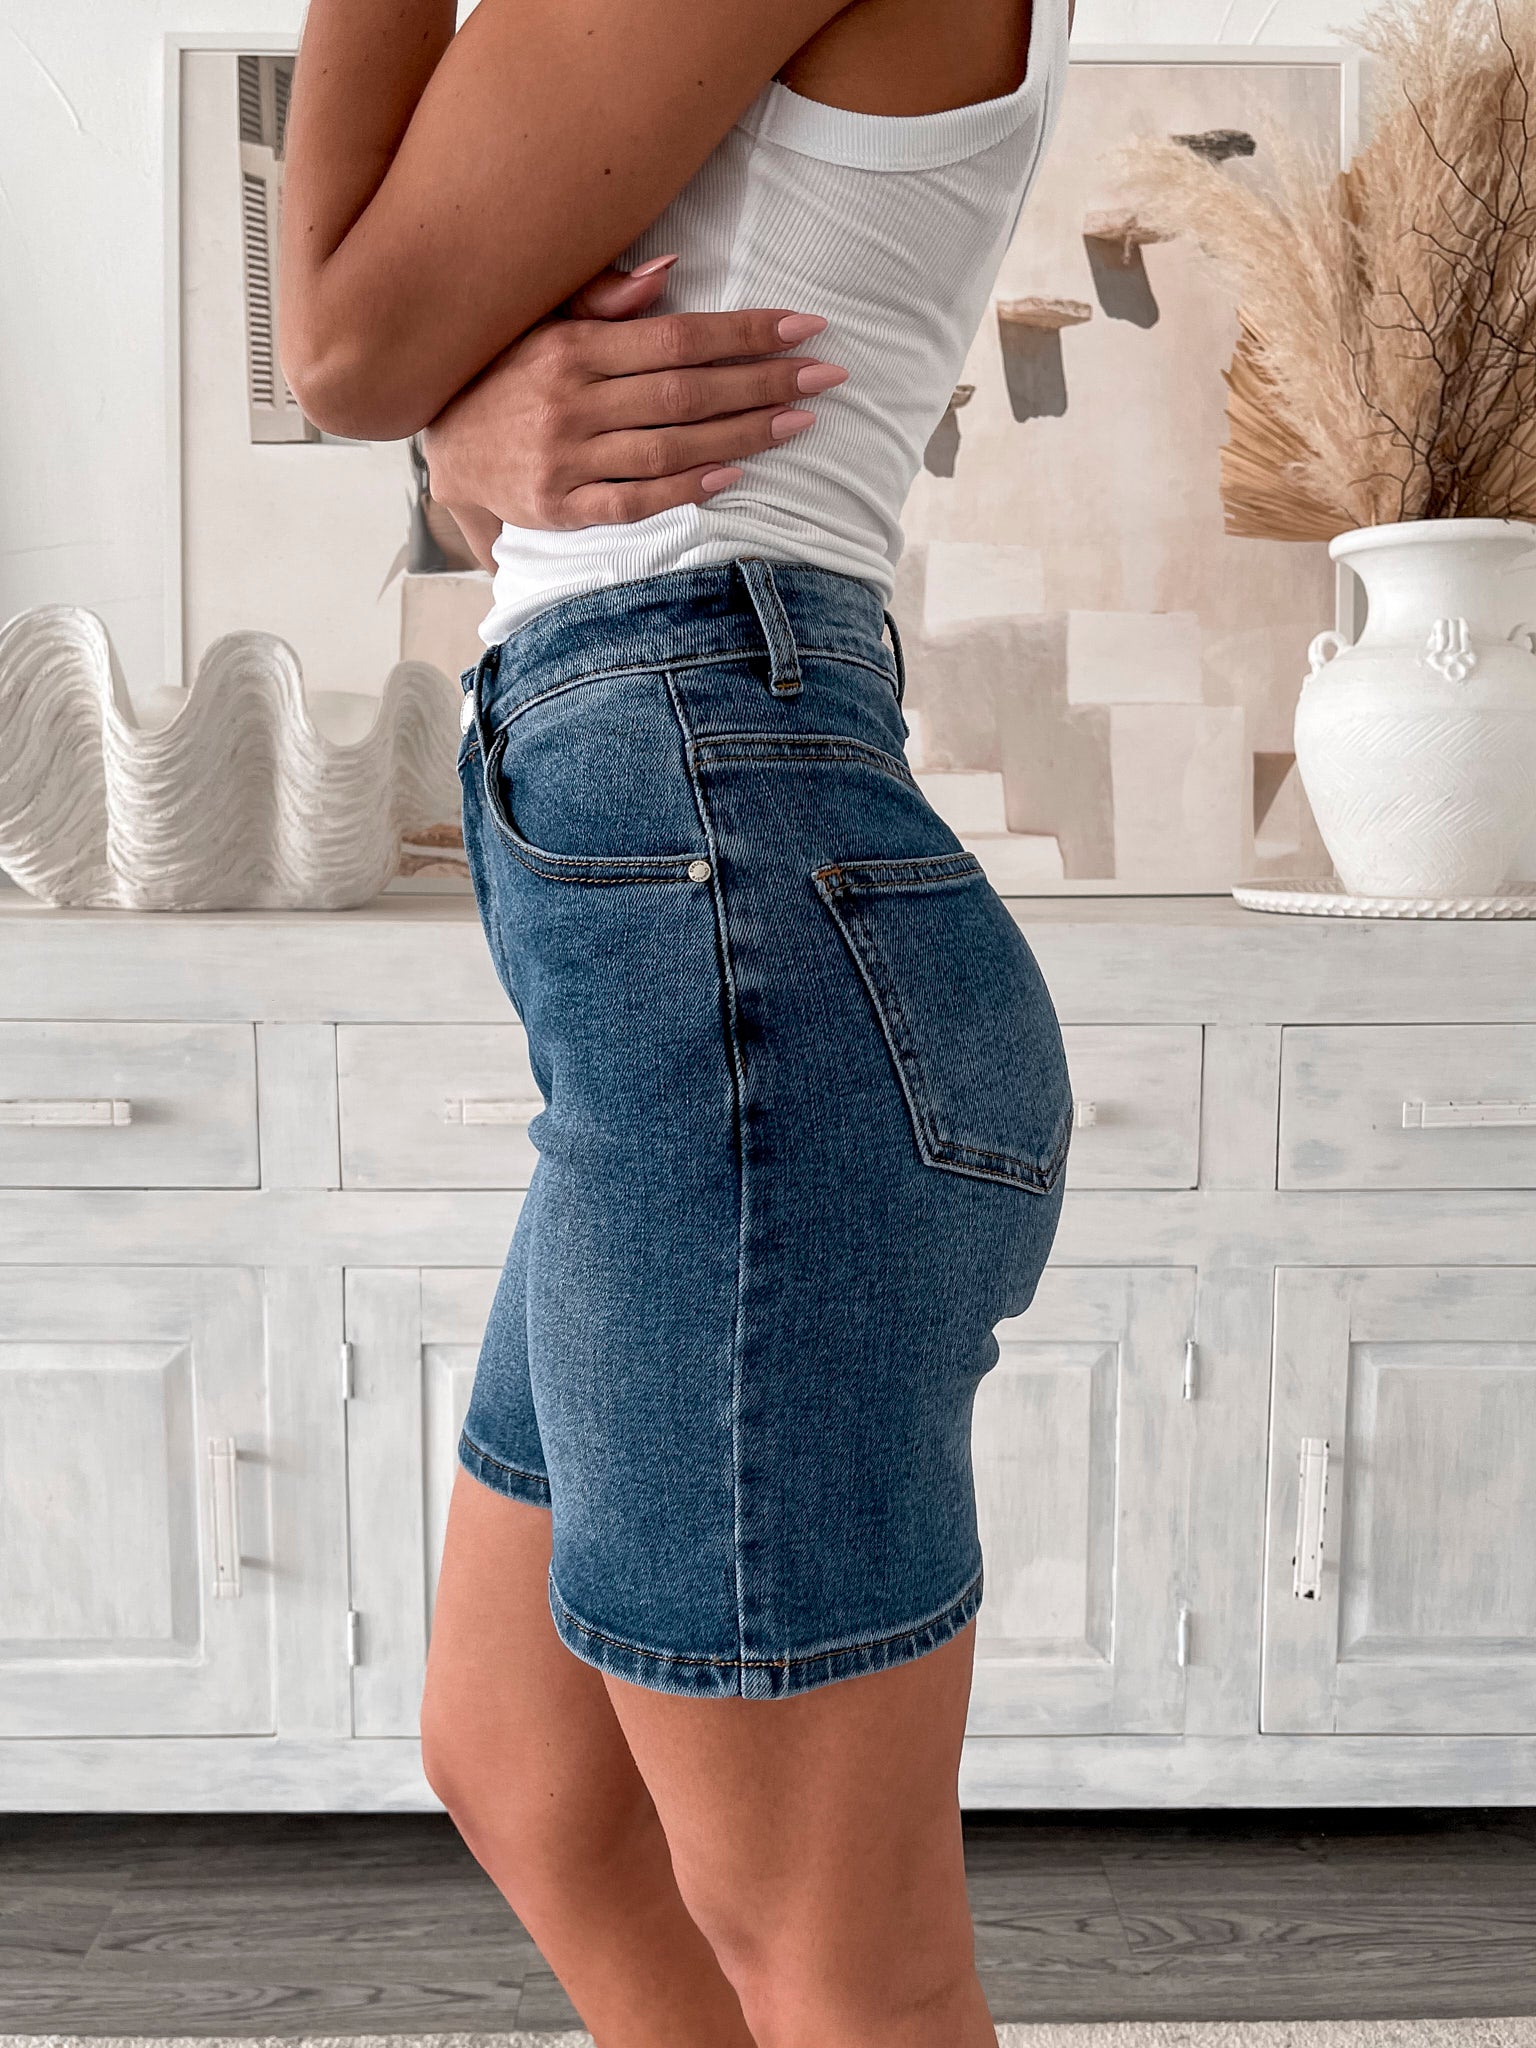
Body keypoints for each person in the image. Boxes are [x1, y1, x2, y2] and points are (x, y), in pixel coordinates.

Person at [279, 3, 1074, 2041]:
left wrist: (424, 404)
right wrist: (454, 432)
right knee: (526, 1766)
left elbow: (346, 343)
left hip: (738, 913)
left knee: (831, 1946)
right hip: (696, 911)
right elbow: (432, 410)